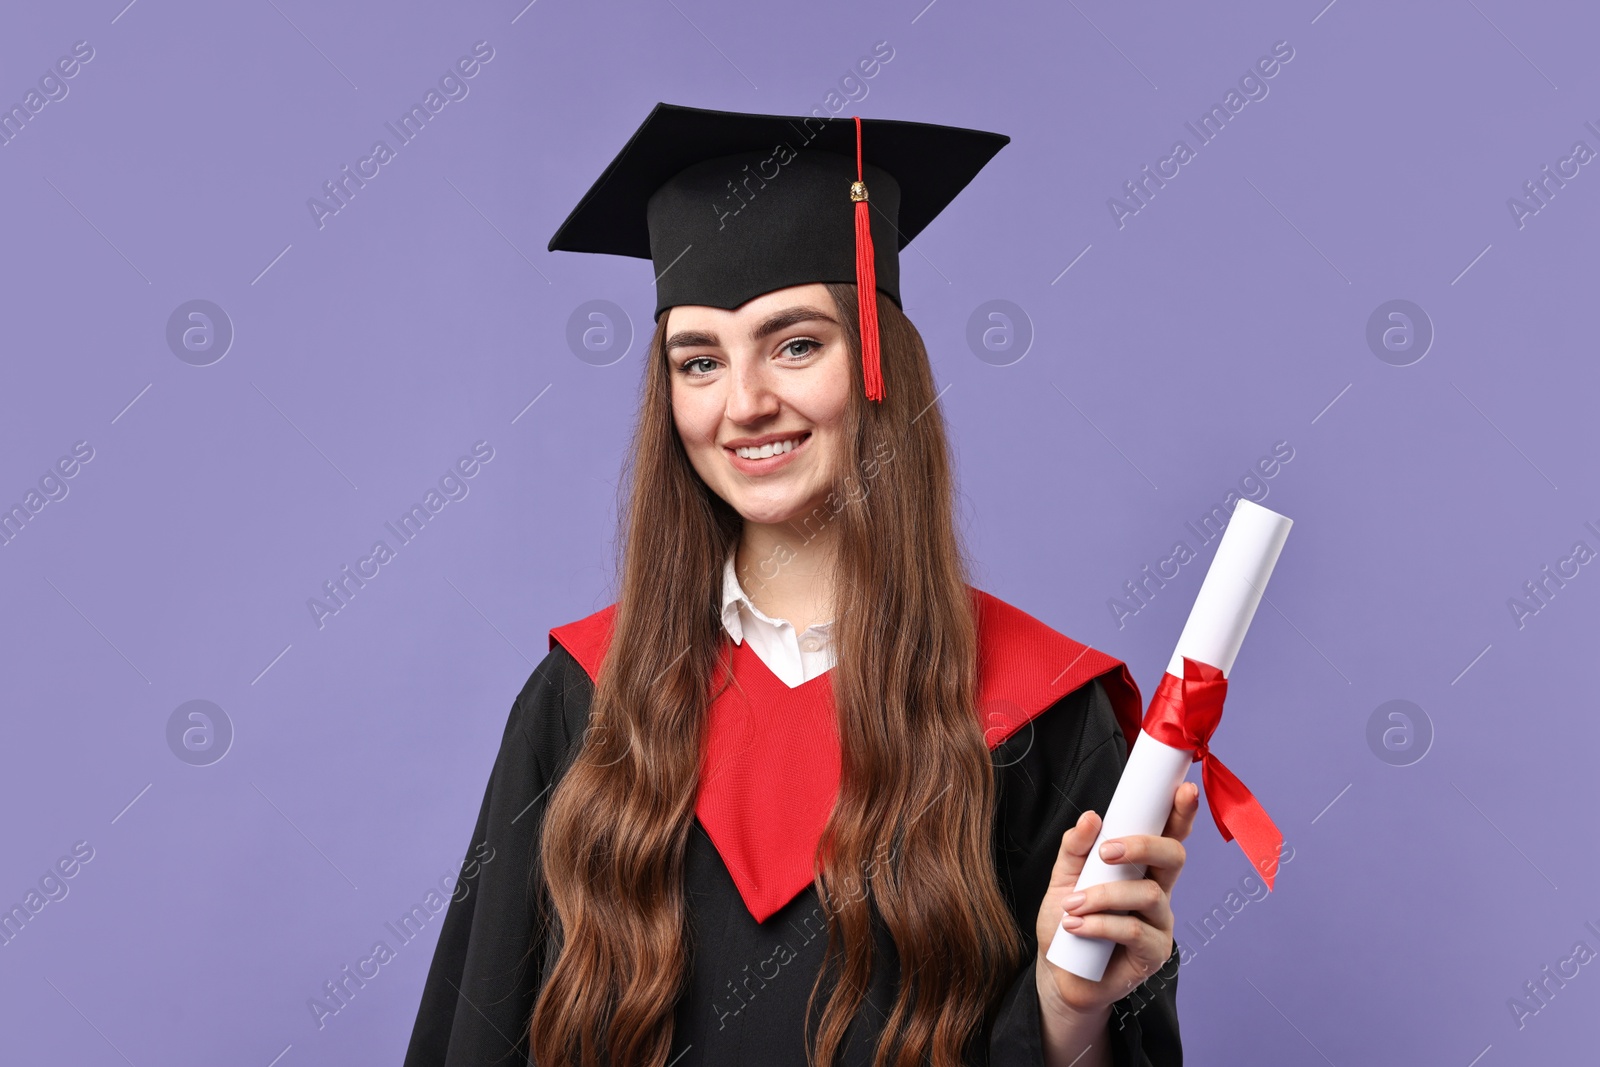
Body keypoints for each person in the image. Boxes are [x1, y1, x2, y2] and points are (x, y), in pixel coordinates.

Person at [403, 103, 1195, 1067]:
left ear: (877, 361)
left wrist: (1069, 1011)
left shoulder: (1040, 715)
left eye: (795, 344)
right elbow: (474, 1034)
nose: (744, 404)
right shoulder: (584, 698)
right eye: (699, 361)